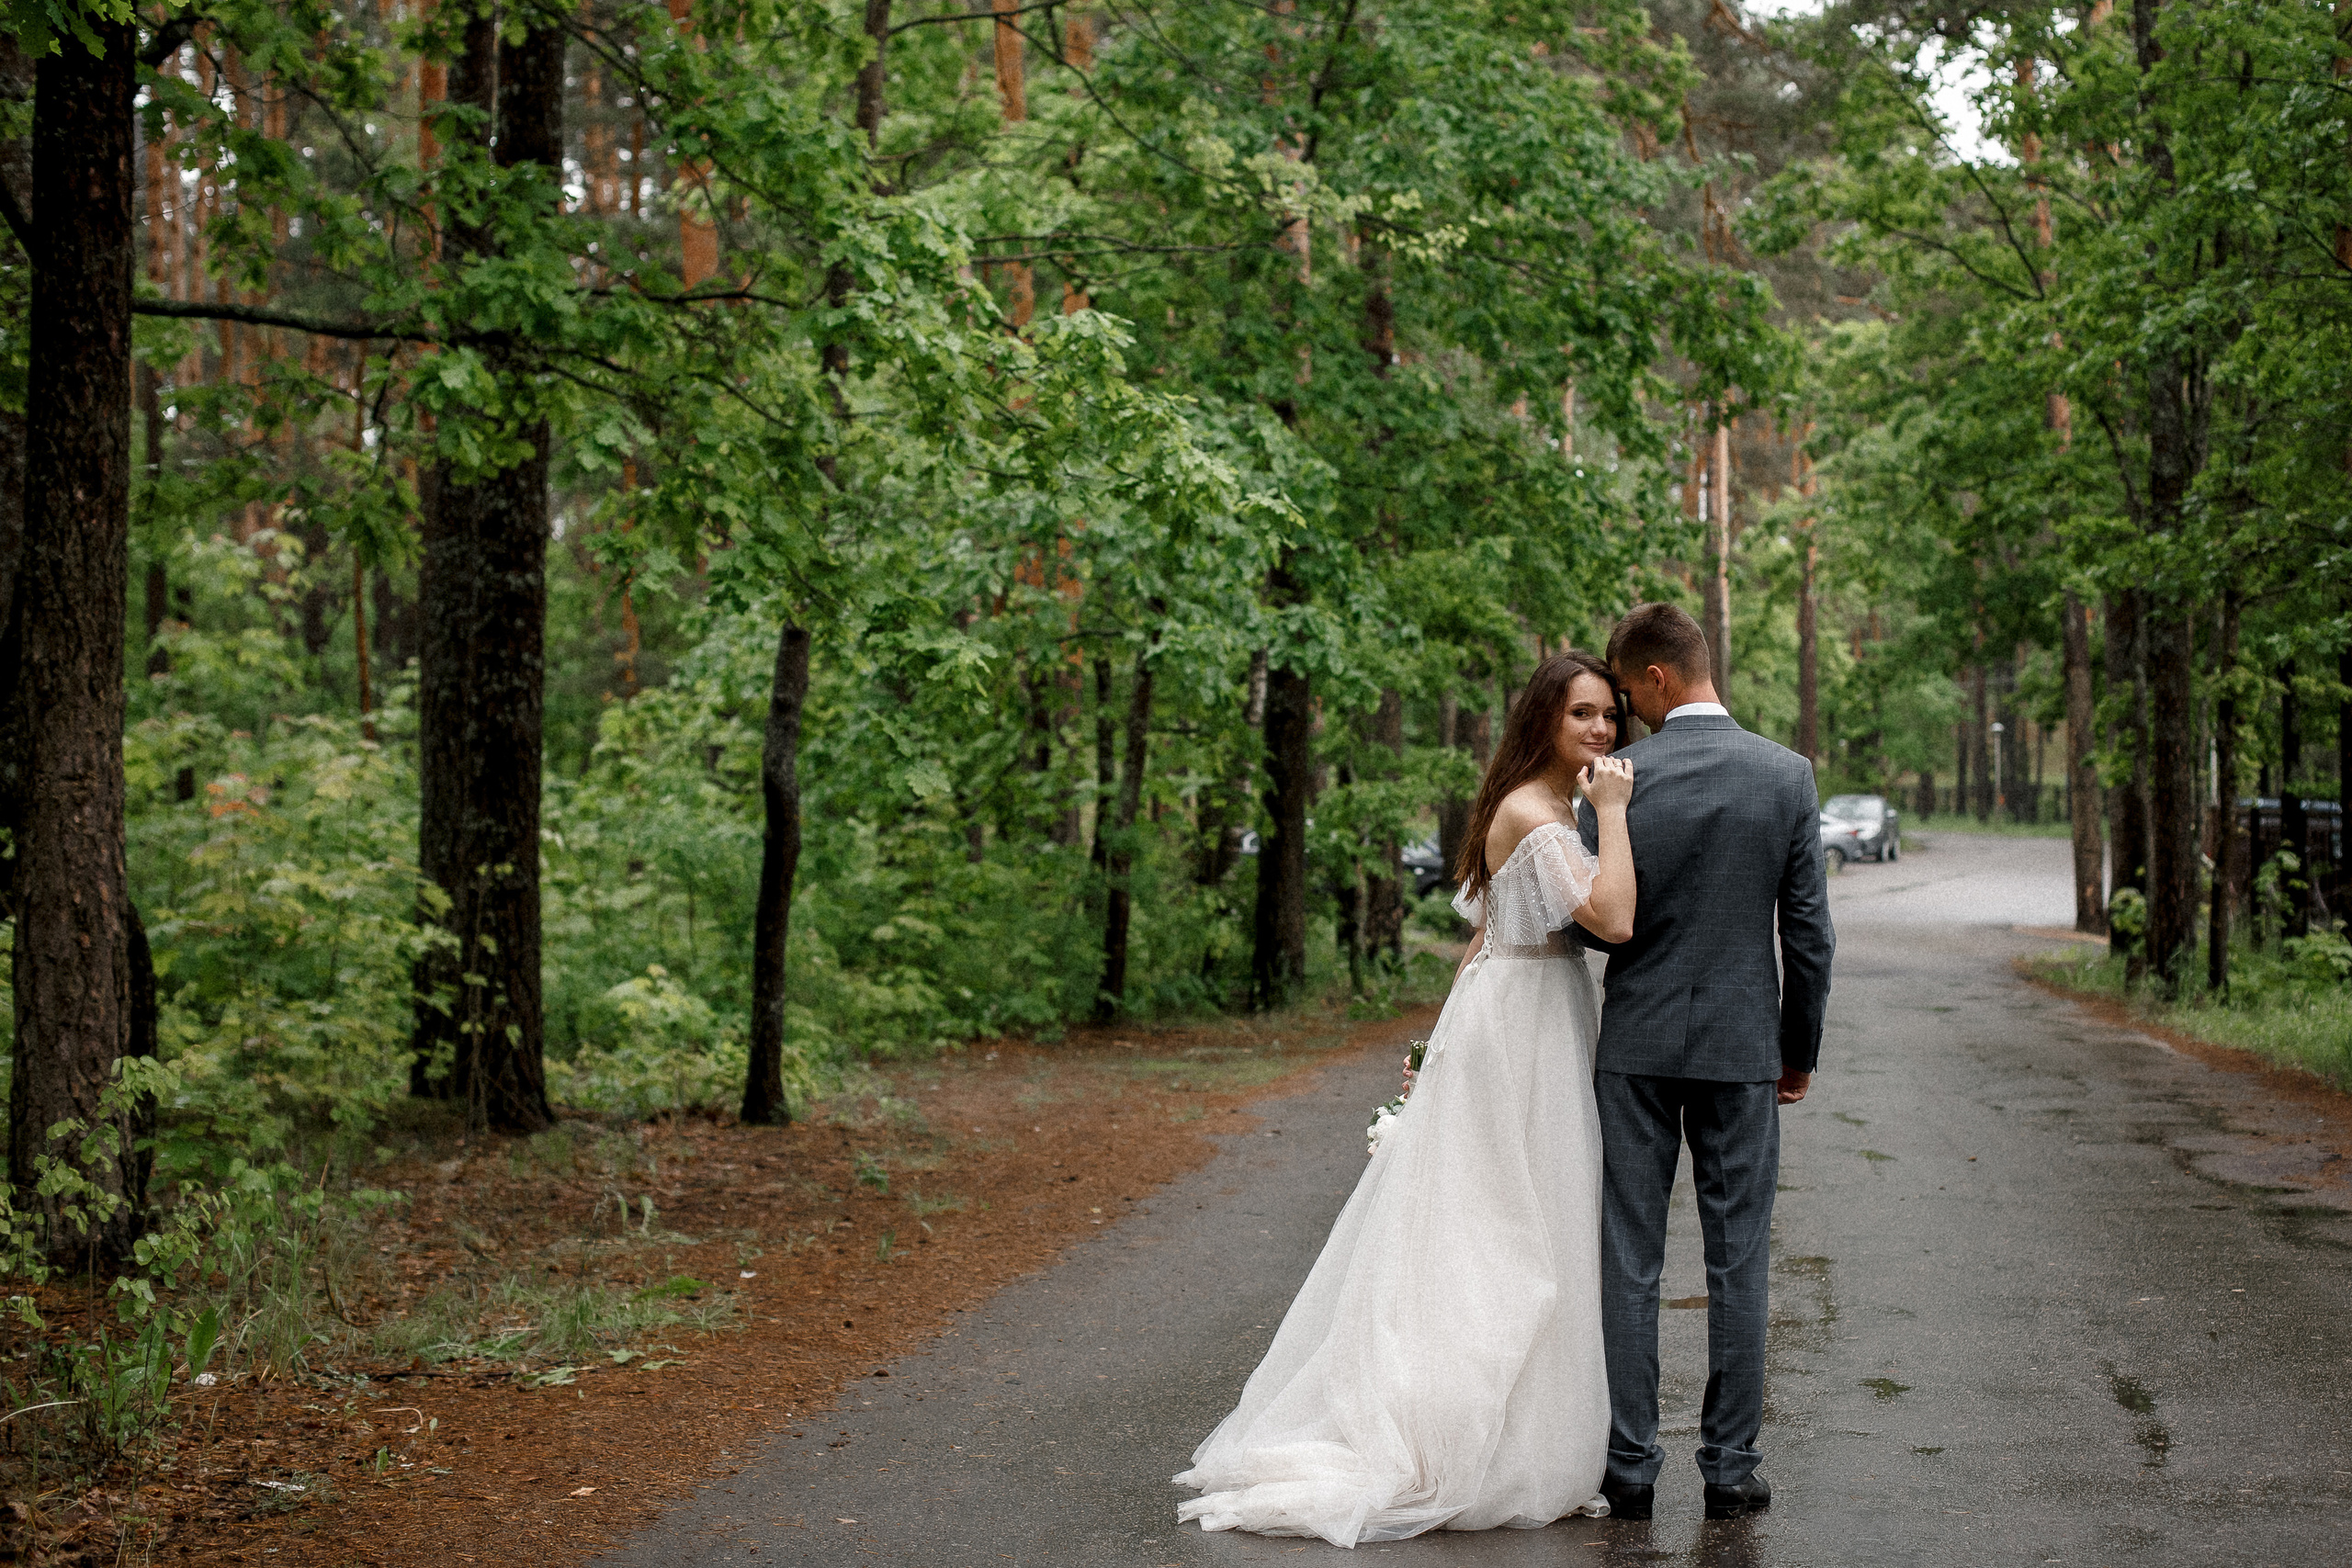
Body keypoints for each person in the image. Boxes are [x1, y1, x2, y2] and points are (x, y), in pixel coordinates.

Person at [1174, 651, 1636, 1547]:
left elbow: (1483, 938)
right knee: (1508, 1231)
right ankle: (1463, 1435)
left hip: (1519, 1014)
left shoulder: (1547, 805)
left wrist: (1435, 1045)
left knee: (1518, 1220)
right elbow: (1613, 920)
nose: (1601, 729)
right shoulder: (1535, 811)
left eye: (1610, 715)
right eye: (1582, 712)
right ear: (1543, 718)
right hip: (1524, 1028)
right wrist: (1613, 813)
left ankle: (1516, 1422)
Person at [1578, 603, 1834, 1522]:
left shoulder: (1617, 783)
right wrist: (1795, 1051)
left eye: (1625, 690)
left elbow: (1594, 920)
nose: (1622, 712)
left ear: (1657, 676)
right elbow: (1809, 936)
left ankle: (1629, 1467)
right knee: (1738, 1259)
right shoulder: (1785, 775)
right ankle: (1729, 1469)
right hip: (1740, 1050)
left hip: (1636, 1048)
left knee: (1629, 1255)